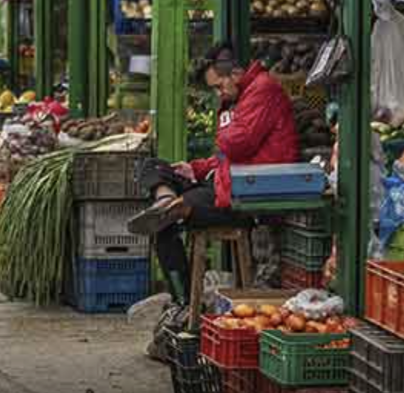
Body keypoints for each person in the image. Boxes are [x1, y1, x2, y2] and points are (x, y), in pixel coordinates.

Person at [126, 45, 300, 297]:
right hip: (223, 180)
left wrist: (224, 118)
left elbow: (238, 145)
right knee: (152, 166)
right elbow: (225, 154)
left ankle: (184, 298)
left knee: (166, 226)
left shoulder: (263, 89)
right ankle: (165, 203)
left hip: (243, 194)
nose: (219, 93)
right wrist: (195, 169)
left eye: (219, 86)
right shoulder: (239, 98)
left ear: (236, 73)